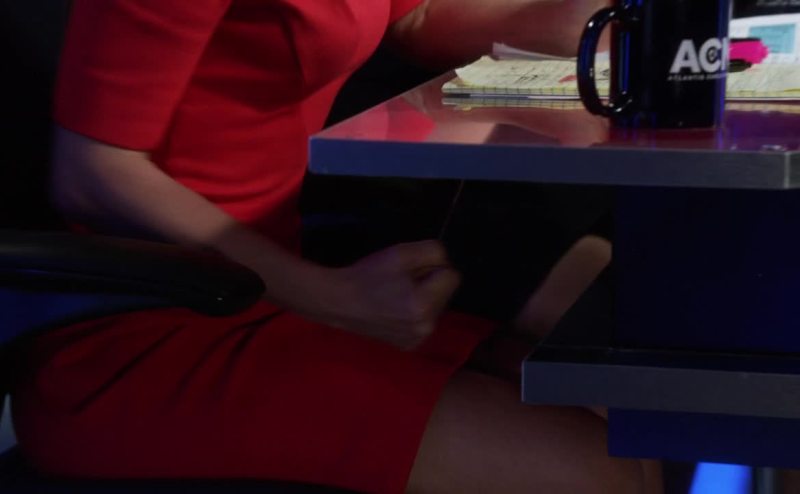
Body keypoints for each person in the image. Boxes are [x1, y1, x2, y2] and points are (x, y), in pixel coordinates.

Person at [11, 1, 660, 493]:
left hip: (270, 293)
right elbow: (92, 173)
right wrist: (329, 297)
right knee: (599, 469)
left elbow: (416, 17)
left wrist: (602, 21)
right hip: (148, 325)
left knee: (632, 420)